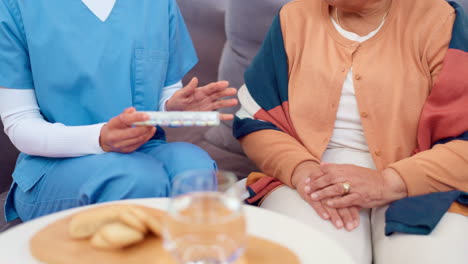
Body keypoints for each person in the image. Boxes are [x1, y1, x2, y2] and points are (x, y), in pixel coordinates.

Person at [233, 0, 468, 263]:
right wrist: (302, 172)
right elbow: (255, 119)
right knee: (312, 255)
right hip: (316, 177)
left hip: (422, 179)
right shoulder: (294, 16)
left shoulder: (440, 19)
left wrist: (388, 182)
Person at [0, 0, 237, 222]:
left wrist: (173, 106)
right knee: (137, 179)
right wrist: (101, 137)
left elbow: (165, 92)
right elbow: (20, 123)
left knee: (194, 169)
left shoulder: (157, 5)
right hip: (55, 163)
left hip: (143, 151)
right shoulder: (16, 7)